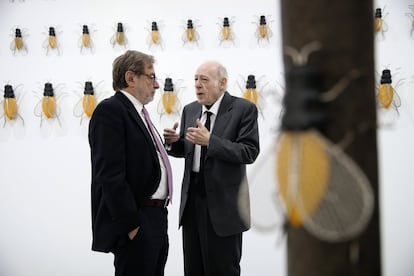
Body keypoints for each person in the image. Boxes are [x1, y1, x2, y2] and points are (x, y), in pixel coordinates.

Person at [163, 60, 260, 276]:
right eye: (196, 79)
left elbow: (249, 151)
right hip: (192, 203)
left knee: (223, 270)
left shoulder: (244, 109)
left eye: (204, 80)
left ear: (222, 83)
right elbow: (189, 150)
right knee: (193, 269)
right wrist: (173, 142)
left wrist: (211, 142)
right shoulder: (190, 110)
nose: (197, 85)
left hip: (224, 207)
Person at [89, 50, 172, 276]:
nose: (156, 85)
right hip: (138, 220)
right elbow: (109, 175)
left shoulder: (139, 113)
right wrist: (132, 226)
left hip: (156, 216)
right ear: (130, 78)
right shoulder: (111, 110)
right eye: (151, 77)